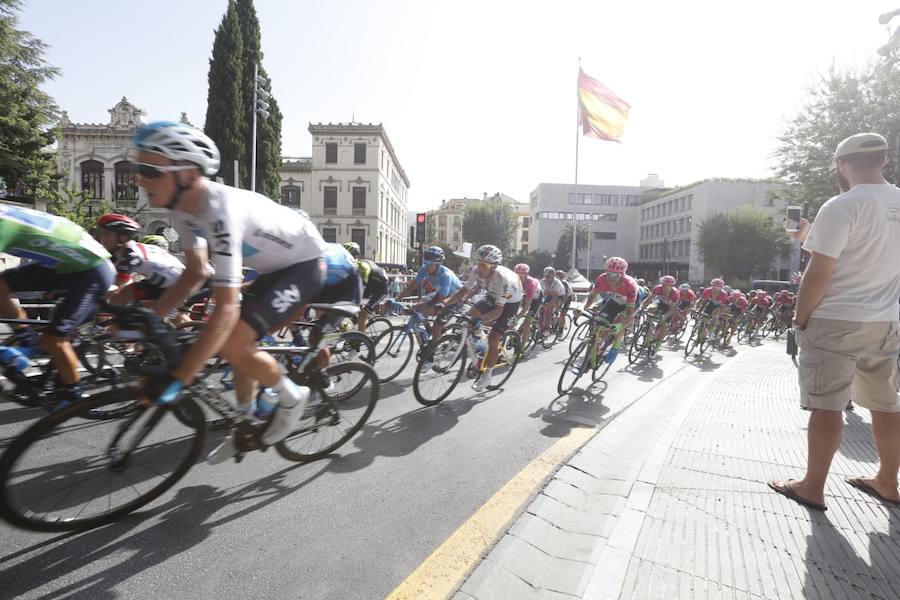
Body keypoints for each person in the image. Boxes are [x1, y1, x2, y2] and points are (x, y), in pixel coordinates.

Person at [131, 120, 328, 464]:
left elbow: (225, 310)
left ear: (189, 174)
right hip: (272, 269)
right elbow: (195, 272)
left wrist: (180, 377)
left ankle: (291, 395)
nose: (139, 178)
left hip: (305, 264)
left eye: (149, 170)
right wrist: (152, 318)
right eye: (139, 168)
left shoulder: (221, 212)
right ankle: (248, 416)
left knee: (232, 341)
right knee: (237, 348)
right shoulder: (182, 212)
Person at [769, 132, 900, 510]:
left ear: (842, 165)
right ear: (884, 161)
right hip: (885, 320)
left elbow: (819, 273)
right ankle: (888, 481)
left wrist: (800, 318)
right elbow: (872, 251)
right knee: (886, 403)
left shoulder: (842, 205)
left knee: (827, 404)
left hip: (836, 320)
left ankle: (812, 486)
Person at [0, 205, 115, 407]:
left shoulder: (3, 225)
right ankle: (27, 340)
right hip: (66, 264)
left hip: (91, 270)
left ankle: (72, 398)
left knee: (54, 339)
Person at [442, 244, 522, 392]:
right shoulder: (476, 271)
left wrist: (482, 320)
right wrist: (445, 303)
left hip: (511, 301)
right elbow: (463, 291)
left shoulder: (503, 279)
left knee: (493, 338)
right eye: (477, 263)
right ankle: (480, 340)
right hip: (492, 295)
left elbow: (498, 311)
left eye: (483, 265)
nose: (479, 268)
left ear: (492, 266)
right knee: (470, 316)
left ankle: (488, 374)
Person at [96, 213, 188, 307]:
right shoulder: (122, 251)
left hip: (179, 281)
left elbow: (117, 285)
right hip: (160, 281)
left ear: (122, 238)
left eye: (106, 234)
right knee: (120, 300)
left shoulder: (132, 255)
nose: (101, 238)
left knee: (156, 311)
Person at [393, 246, 463, 364]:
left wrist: (424, 307)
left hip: (454, 298)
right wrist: (396, 299)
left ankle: (431, 357)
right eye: (425, 263)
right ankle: (428, 329)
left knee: (437, 326)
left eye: (429, 264)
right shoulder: (424, 269)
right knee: (419, 305)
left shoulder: (445, 275)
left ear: (438, 264)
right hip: (439, 294)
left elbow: (440, 299)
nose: (426, 267)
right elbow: (412, 286)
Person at [581, 257, 639, 364]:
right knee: (601, 323)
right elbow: (592, 296)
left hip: (630, 303)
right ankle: (597, 347)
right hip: (616, 300)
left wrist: (620, 326)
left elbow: (630, 314)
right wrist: (583, 307)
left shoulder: (630, 285)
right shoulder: (602, 279)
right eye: (608, 273)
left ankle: (615, 346)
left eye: (615, 275)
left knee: (619, 323)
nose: (610, 278)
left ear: (622, 275)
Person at [342, 242, 388, 333]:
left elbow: (362, 285)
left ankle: (359, 341)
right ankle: (356, 327)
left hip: (380, 290)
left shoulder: (363, 266)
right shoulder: (350, 267)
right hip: (370, 287)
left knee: (362, 315)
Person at [638, 275, 680, 351]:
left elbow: (671, 310)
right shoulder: (658, 288)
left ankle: (657, 346)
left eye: (668, 287)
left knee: (663, 326)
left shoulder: (675, 294)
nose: (665, 288)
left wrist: (664, 317)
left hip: (669, 307)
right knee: (651, 308)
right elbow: (648, 299)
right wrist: (641, 308)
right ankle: (648, 325)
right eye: (664, 286)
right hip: (660, 302)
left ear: (672, 286)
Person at [514, 263, 541, 346]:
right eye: (517, 275)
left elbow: (526, 307)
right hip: (525, 295)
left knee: (526, 322)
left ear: (526, 275)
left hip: (536, 300)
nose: (519, 277)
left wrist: (517, 318)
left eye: (521, 275)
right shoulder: (514, 281)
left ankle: (522, 347)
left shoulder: (531, 283)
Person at [539, 266, 564, 331]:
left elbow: (555, 298)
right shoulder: (542, 281)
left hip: (559, 296)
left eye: (549, 277)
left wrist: (548, 306)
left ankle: (547, 328)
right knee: (541, 309)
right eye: (546, 277)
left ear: (553, 277)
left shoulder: (557, 283)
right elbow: (539, 293)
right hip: (550, 295)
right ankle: (541, 324)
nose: (547, 279)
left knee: (549, 310)